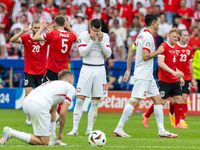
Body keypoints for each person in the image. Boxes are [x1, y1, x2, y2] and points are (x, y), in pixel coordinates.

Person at [113, 14, 178, 138]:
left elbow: (132, 51)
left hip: (147, 75)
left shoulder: (141, 35)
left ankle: (162, 131)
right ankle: (118, 129)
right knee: (134, 101)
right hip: (143, 74)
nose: (159, 23)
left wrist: (128, 69)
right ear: (153, 23)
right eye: (158, 21)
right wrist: (157, 52)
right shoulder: (148, 37)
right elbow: (145, 56)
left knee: (158, 100)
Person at [0, 70, 75, 146]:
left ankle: (53, 139)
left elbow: (53, 108)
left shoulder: (53, 83)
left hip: (26, 103)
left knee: (53, 107)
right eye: (73, 80)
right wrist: (61, 132)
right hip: (39, 105)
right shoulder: (71, 88)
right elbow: (63, 112)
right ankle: (11, 133)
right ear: (70, 80)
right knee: (44, 142)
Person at [33, 15, 78, 139]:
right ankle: (56, 118)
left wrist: (42, 28)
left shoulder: (52, 34)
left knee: (45, 92)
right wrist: (69, 28)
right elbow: (78, 38)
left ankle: (47, 117)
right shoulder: (70, 35)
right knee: (62, 95)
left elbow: (36, 38)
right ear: (64, 23)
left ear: (54, 23)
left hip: (52, 69)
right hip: (64, 70)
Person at [67, 19, 111, 135]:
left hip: (100, 69)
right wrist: (92, 41)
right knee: (80, 99)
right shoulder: (83, 35)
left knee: (95, 101)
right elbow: (82, 53)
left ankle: (89, 130)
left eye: (98, 30)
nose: (96, 33)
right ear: (90, 27)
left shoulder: (105, 36)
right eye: (94, 31)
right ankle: (75, 129)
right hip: (87, 68)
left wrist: (101, 41)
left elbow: (108, 54)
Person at [142, 28, 187, 129]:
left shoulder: (175, 48)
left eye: (177, 37)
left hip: (174, 78)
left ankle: (177, 124)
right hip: (164, 79)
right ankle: (146, 115)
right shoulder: (163, 47)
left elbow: (173, 65)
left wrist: (179, 75)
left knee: (179, 99)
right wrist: (173, 72)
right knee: (162, 102)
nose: (176, 38)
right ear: (169, 36)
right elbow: (161, 63)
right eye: (174, 37)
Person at [10, 20, 51, 126]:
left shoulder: (45, 38)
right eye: (35, 28)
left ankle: (40, 115)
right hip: (29, 71)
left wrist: (51, 31)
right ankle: (28, 114)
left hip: (42, 71)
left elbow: (56, 42)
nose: (37, 29)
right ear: (32, 28)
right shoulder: (26, 38)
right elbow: (12, 40)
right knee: (28, 94)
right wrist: (22, 31)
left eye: (39, 28)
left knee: (41, 97)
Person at [172, 29, 196, 127]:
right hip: (176, 75)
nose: (186, 37)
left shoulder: (189, 49)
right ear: (180, 36)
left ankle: (182, 120)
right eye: (185, 35)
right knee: (175, 100)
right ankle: (172, 114)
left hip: (186, 76)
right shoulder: (174, 47)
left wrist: (193, 78)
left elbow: (190, 64)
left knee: (184, 98)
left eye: (187, 35)